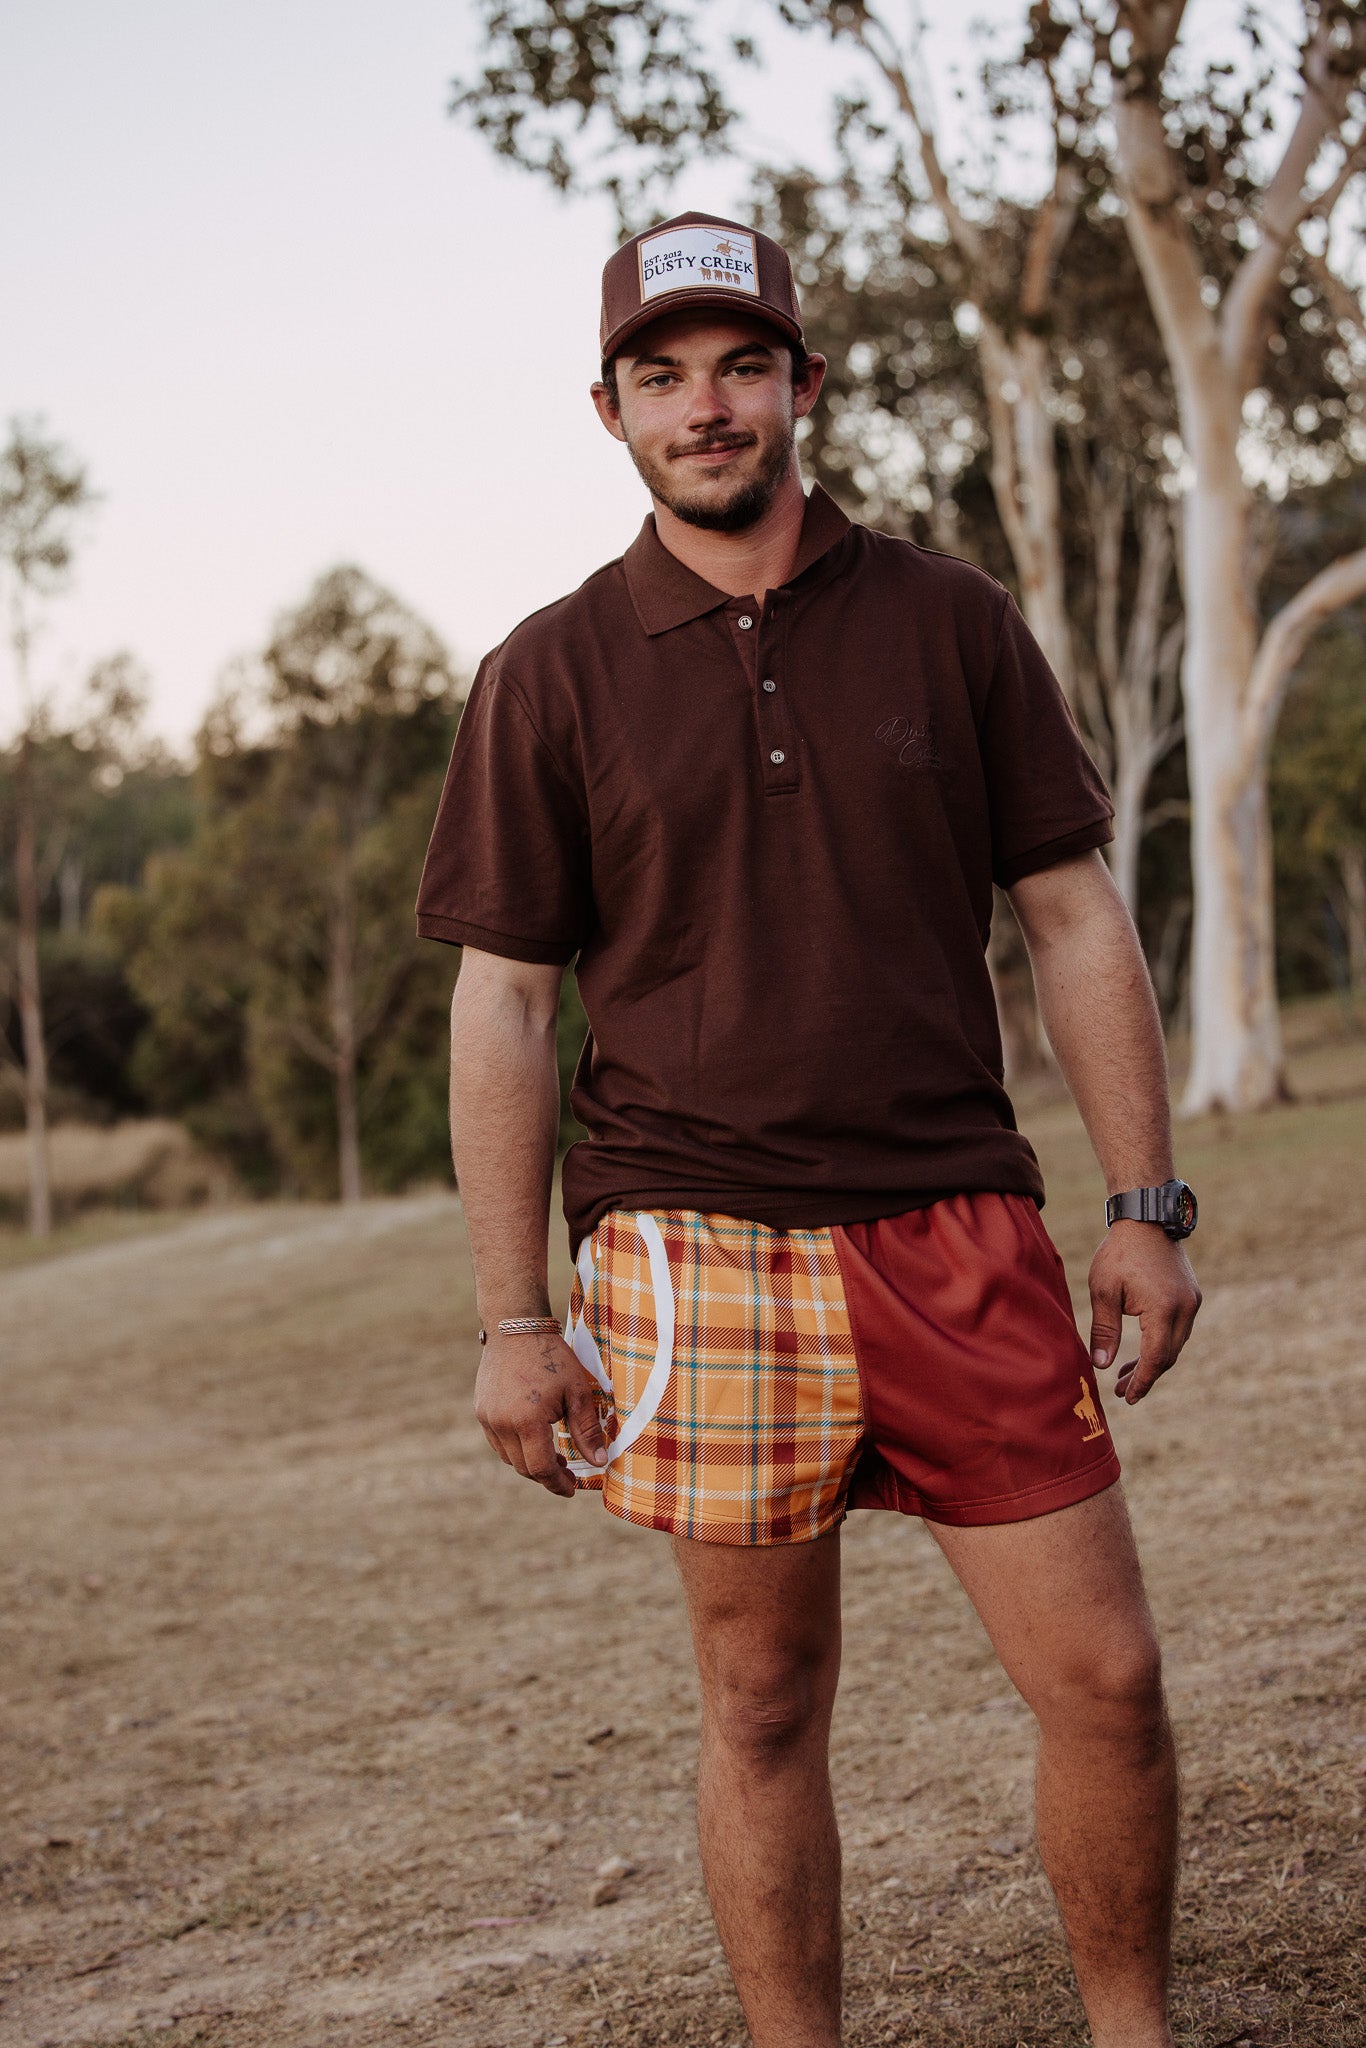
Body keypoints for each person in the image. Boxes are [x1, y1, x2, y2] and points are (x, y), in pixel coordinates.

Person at [416, 211, 1202, 2048]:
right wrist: (512, 1318)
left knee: (1106, 1681)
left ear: (803, 387)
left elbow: (1070, 912)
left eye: (740, 366)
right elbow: (505, 1005)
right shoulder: (548, 670)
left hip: (955, 1225)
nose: (705, 407)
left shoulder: (949, 618)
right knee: (762, 1703)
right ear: (608, 411)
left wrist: (1142, 1203)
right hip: (692, 1242)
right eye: (661, 376)